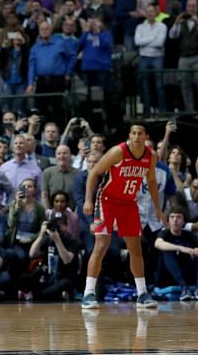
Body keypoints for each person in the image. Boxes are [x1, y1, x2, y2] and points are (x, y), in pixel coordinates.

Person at [82, 123, 164, 310]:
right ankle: (88, 293)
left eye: (140, 133)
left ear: (146, 136)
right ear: (130, 135)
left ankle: (142, 293)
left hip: (128, 203)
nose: (136, 136)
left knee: (135, 248)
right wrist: (88, 200)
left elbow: (151, 181)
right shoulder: (118, 152)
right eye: (133, 133)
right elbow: (94, 173)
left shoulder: (150, 156)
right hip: (107, 200)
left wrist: (158, 209)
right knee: (102, 244)